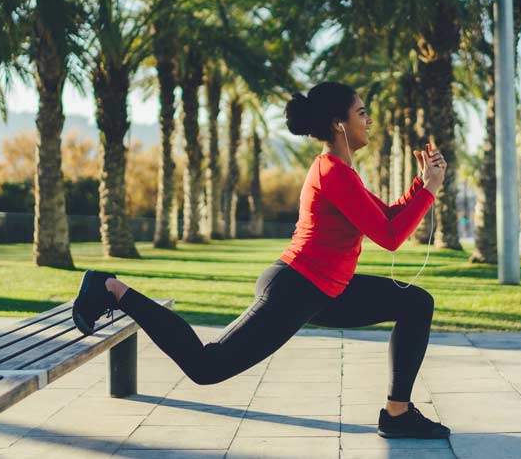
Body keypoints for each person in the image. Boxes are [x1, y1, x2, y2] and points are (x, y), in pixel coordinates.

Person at [71, 81, 451, 439]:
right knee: (207, 367)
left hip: (326, 289)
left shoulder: (343, 171)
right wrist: (430, 190)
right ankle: (111, 288)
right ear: (339, 124)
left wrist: (422, 183)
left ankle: (397, 414)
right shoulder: (332, 172)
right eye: (361, 112)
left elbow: (385, 218)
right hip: (297, 288)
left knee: (416, 303)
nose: (369, 120)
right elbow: (390, 237)